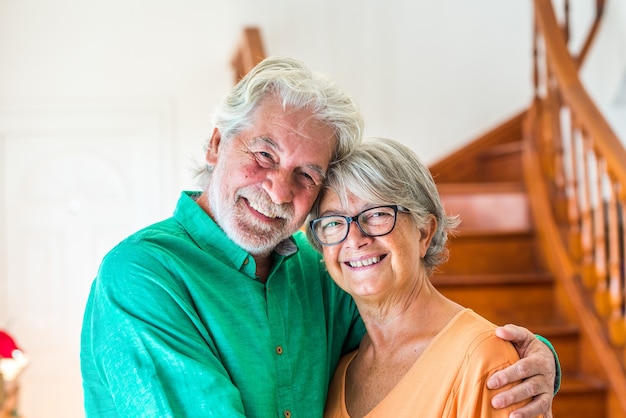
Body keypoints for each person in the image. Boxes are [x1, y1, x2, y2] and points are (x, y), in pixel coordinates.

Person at [80, 55, 558, 418]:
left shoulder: (323, 268)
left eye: (306, 174)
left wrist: (529, 359)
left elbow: (414, 334)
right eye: (264, 155)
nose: (278, 189)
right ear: (216, 144)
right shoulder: (142, 277)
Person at [308, 137, 548, 417]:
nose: (355, 239)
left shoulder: (486, 360)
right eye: (334, 222)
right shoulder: (341, 370)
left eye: (376, 215)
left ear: (424, 231)